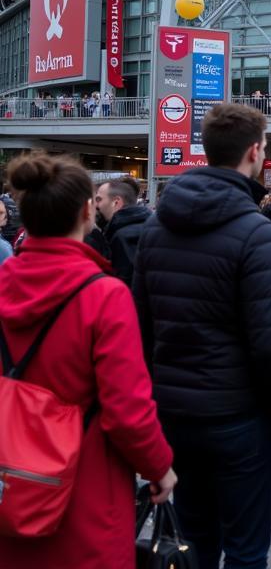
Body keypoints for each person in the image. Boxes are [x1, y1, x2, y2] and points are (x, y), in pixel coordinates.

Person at [133, 103, 271, 569]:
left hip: (172, 412)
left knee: (193, 541)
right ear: (253, 151)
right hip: (237, 415)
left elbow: (142, 326)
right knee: (246, 549)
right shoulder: (255, 231)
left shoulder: (156, 227)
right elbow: (270, 339)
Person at [0, 152, 175, 568]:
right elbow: (127, 410)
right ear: (85, 211)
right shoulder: (103, 294)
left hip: (10, 481)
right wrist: (159, 467)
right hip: (84, 483)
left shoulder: (4, 281)